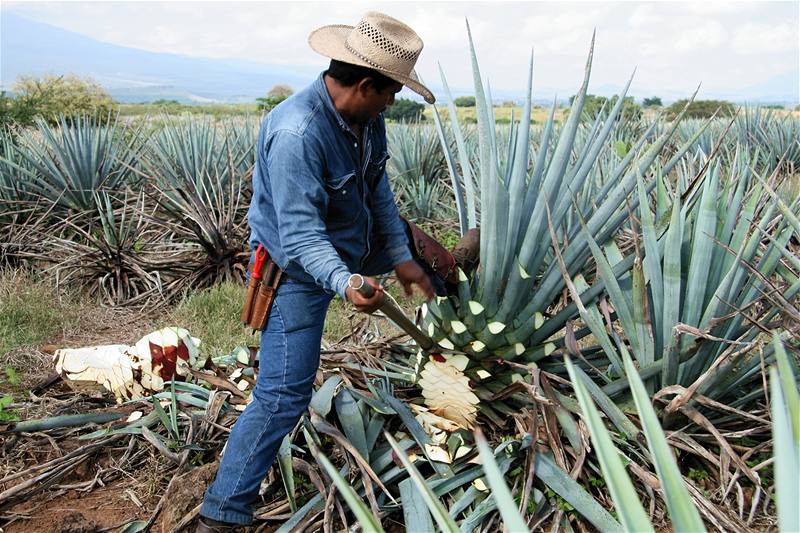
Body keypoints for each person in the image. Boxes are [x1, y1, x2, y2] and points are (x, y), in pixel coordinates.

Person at [197, 11, 435, 531]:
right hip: (297, 272)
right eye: (392, 91)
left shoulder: (367, 122)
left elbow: (379, 194)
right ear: (367, 84)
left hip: (351, 246)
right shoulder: (297, 132)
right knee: (283, 395)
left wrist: (401, 259)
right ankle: (222, 511)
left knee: (433, 256)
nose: (395, 102)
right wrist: (347, 282)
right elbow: (303, 238)